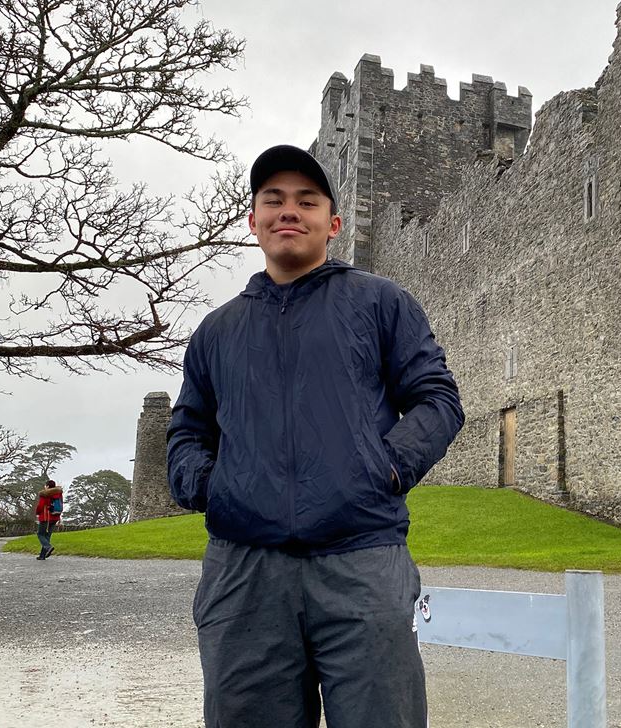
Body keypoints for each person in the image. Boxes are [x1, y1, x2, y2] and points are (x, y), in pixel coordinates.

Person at [167, 144, 464, 728]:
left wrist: (384, 471)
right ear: (253, 222)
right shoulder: (216, 331)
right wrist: (211, 485)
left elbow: (438, 400)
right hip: (244, 572)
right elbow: (187, 430)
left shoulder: (382, 304)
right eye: (273, 200)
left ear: (333, 224)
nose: (289, 211)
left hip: (361, 560)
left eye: (307, 201)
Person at [35, 479, 62, 560]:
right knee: (47, 536)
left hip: (46, 517)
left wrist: (37, 512)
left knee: (40, 534)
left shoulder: (45, 494)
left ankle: (48, 547)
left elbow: (40, 505)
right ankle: (42, 555)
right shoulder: (59, 493)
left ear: (47, 486)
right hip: (55, 517)